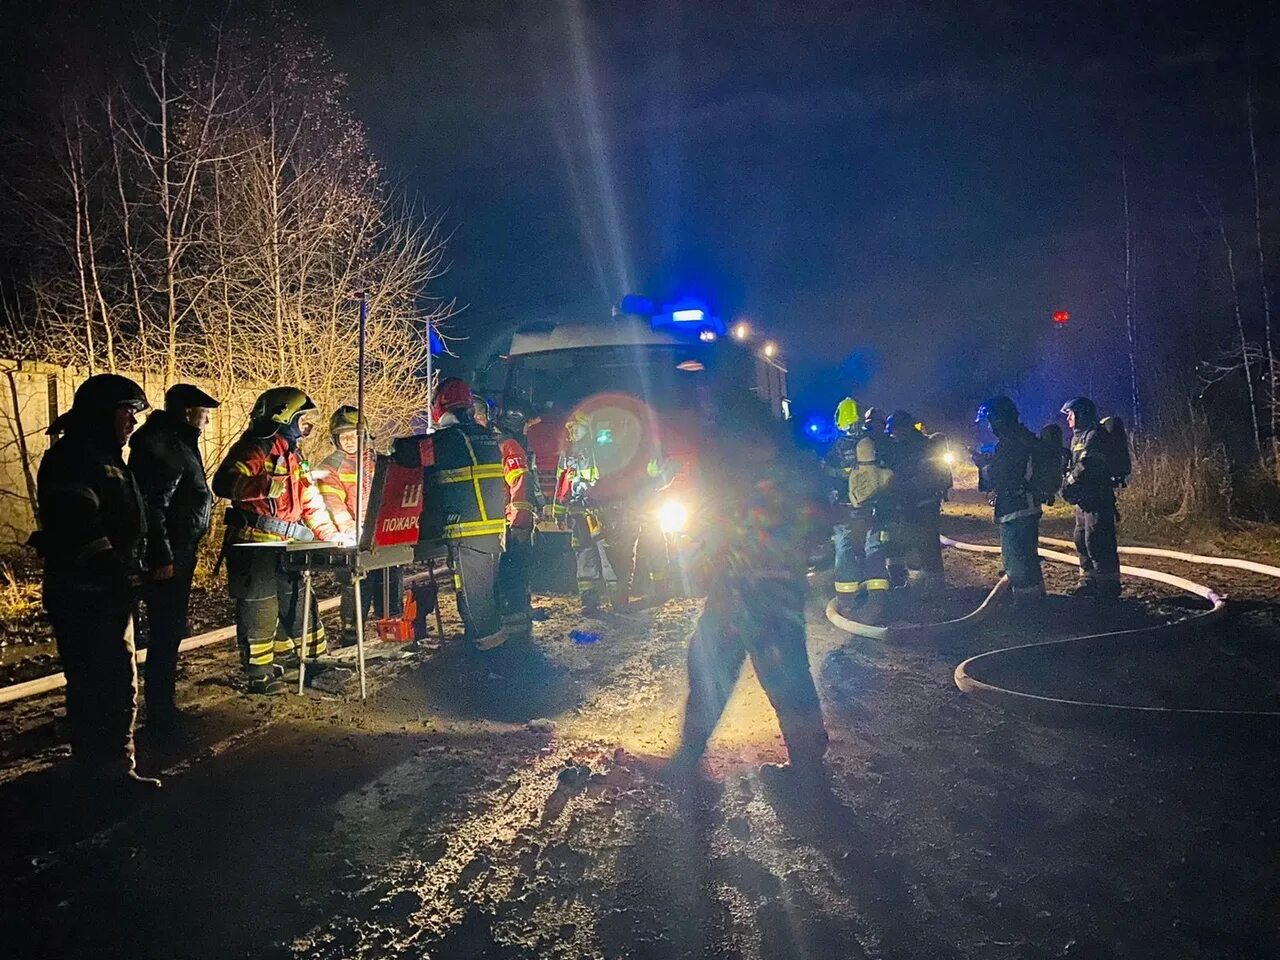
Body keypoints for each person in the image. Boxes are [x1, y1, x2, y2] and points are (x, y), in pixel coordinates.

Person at [669, 398, 830, 784]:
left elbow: (736, 525)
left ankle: (806, 765)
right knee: (715, 663)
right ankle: (690, 758)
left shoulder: (766, 476)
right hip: (748, 587)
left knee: (772, 672)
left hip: (760, 590)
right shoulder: (780, 469)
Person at [31, 374, 161, 789]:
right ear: (103, 413)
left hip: (107, 590)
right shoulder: (75, 458)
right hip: (86, 592)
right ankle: (103, 777)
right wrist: (110, 571)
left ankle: (109, 770)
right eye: (127, 411)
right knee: (102, 683)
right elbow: (77, 524)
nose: (133, 422)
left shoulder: (103, 457)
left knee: (112, 681)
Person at [212, 387, 344, 694]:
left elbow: (310, 502)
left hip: (287, 545)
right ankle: (259, 672)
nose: (306, 428)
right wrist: (261, 484)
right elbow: (223, 482)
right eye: (302, 420)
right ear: (283, 417)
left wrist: (331, 536)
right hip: (253, 545)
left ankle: (312, 661)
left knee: (298, 602)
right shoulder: (254, 448)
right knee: (260, 607)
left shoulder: (294, 455)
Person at [129, 383, 220, 729]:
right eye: (204, 414)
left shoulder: (175, 441)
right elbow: (154, 504)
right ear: (187, 412)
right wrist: (162, 554)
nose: (207, 422)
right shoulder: (164, 445)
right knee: (166, 631)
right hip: (169, 554)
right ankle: (160, 713)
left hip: (178, 548)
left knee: (169, 630)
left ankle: (162, 706)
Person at [422, 377, 506, 648]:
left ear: (440, 407)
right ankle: (487, 645)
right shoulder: (485, 436)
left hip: (467, 531)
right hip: (491, 530)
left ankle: (488, 656)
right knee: (485, 593)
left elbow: (408, 453)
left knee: (475, 598)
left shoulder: (450, 439)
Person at [314, 404, 403, 645]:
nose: (350, 441)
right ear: (335, 439)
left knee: (390, 582)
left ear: (364, 434)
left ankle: (393, 635)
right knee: (356, 588)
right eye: (344, 436)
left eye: (354, 435)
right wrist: (350, 530)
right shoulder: (329, 467)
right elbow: (333, 503)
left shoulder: (380, 461)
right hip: (354, 539)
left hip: (383, 536)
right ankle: (352, 640)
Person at [473, 398, 537, 642]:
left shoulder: (502, 444)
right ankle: (514, 624)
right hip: (505, 523)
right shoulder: (504, 444)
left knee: (510, 574)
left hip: (505, 523)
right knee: (509, 574)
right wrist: (519, 519)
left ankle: (515, 626)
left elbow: (519, 483)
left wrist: (518, 519)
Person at [974, 396, 1045, 602]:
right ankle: (1037, 600)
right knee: (1028, 558)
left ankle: (1027, 607)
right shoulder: (1022, 437)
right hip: (1025, 505)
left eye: (990, 421)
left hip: (1015, 508)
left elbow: (1000, 477)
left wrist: (982, 466)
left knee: (1017, 561)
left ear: (998, 420)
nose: (988, 427)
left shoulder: (1010, 443)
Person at [1060, 396, 1121, 598]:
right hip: (1083, 500)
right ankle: (1088, 580)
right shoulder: (1077, 437)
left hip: (1098, 498)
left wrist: (1069, 482)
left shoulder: (1095, 435)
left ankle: (1108, 587)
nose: (1068, 418)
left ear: (1082, 413)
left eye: (1070, 413)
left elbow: (1088, 465)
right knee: (1081, 539)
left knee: (1098, 540)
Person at [883, 410, 948, 593]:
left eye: (894, 430)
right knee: (914, 543)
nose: (892, 434)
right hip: (912, 504)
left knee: (927, 545)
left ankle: (935, 586)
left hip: (923, 504)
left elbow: (926, 478)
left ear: (904, 428)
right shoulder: (903, 446)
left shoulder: (922, 447)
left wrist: (901, 486)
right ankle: (918, 584)